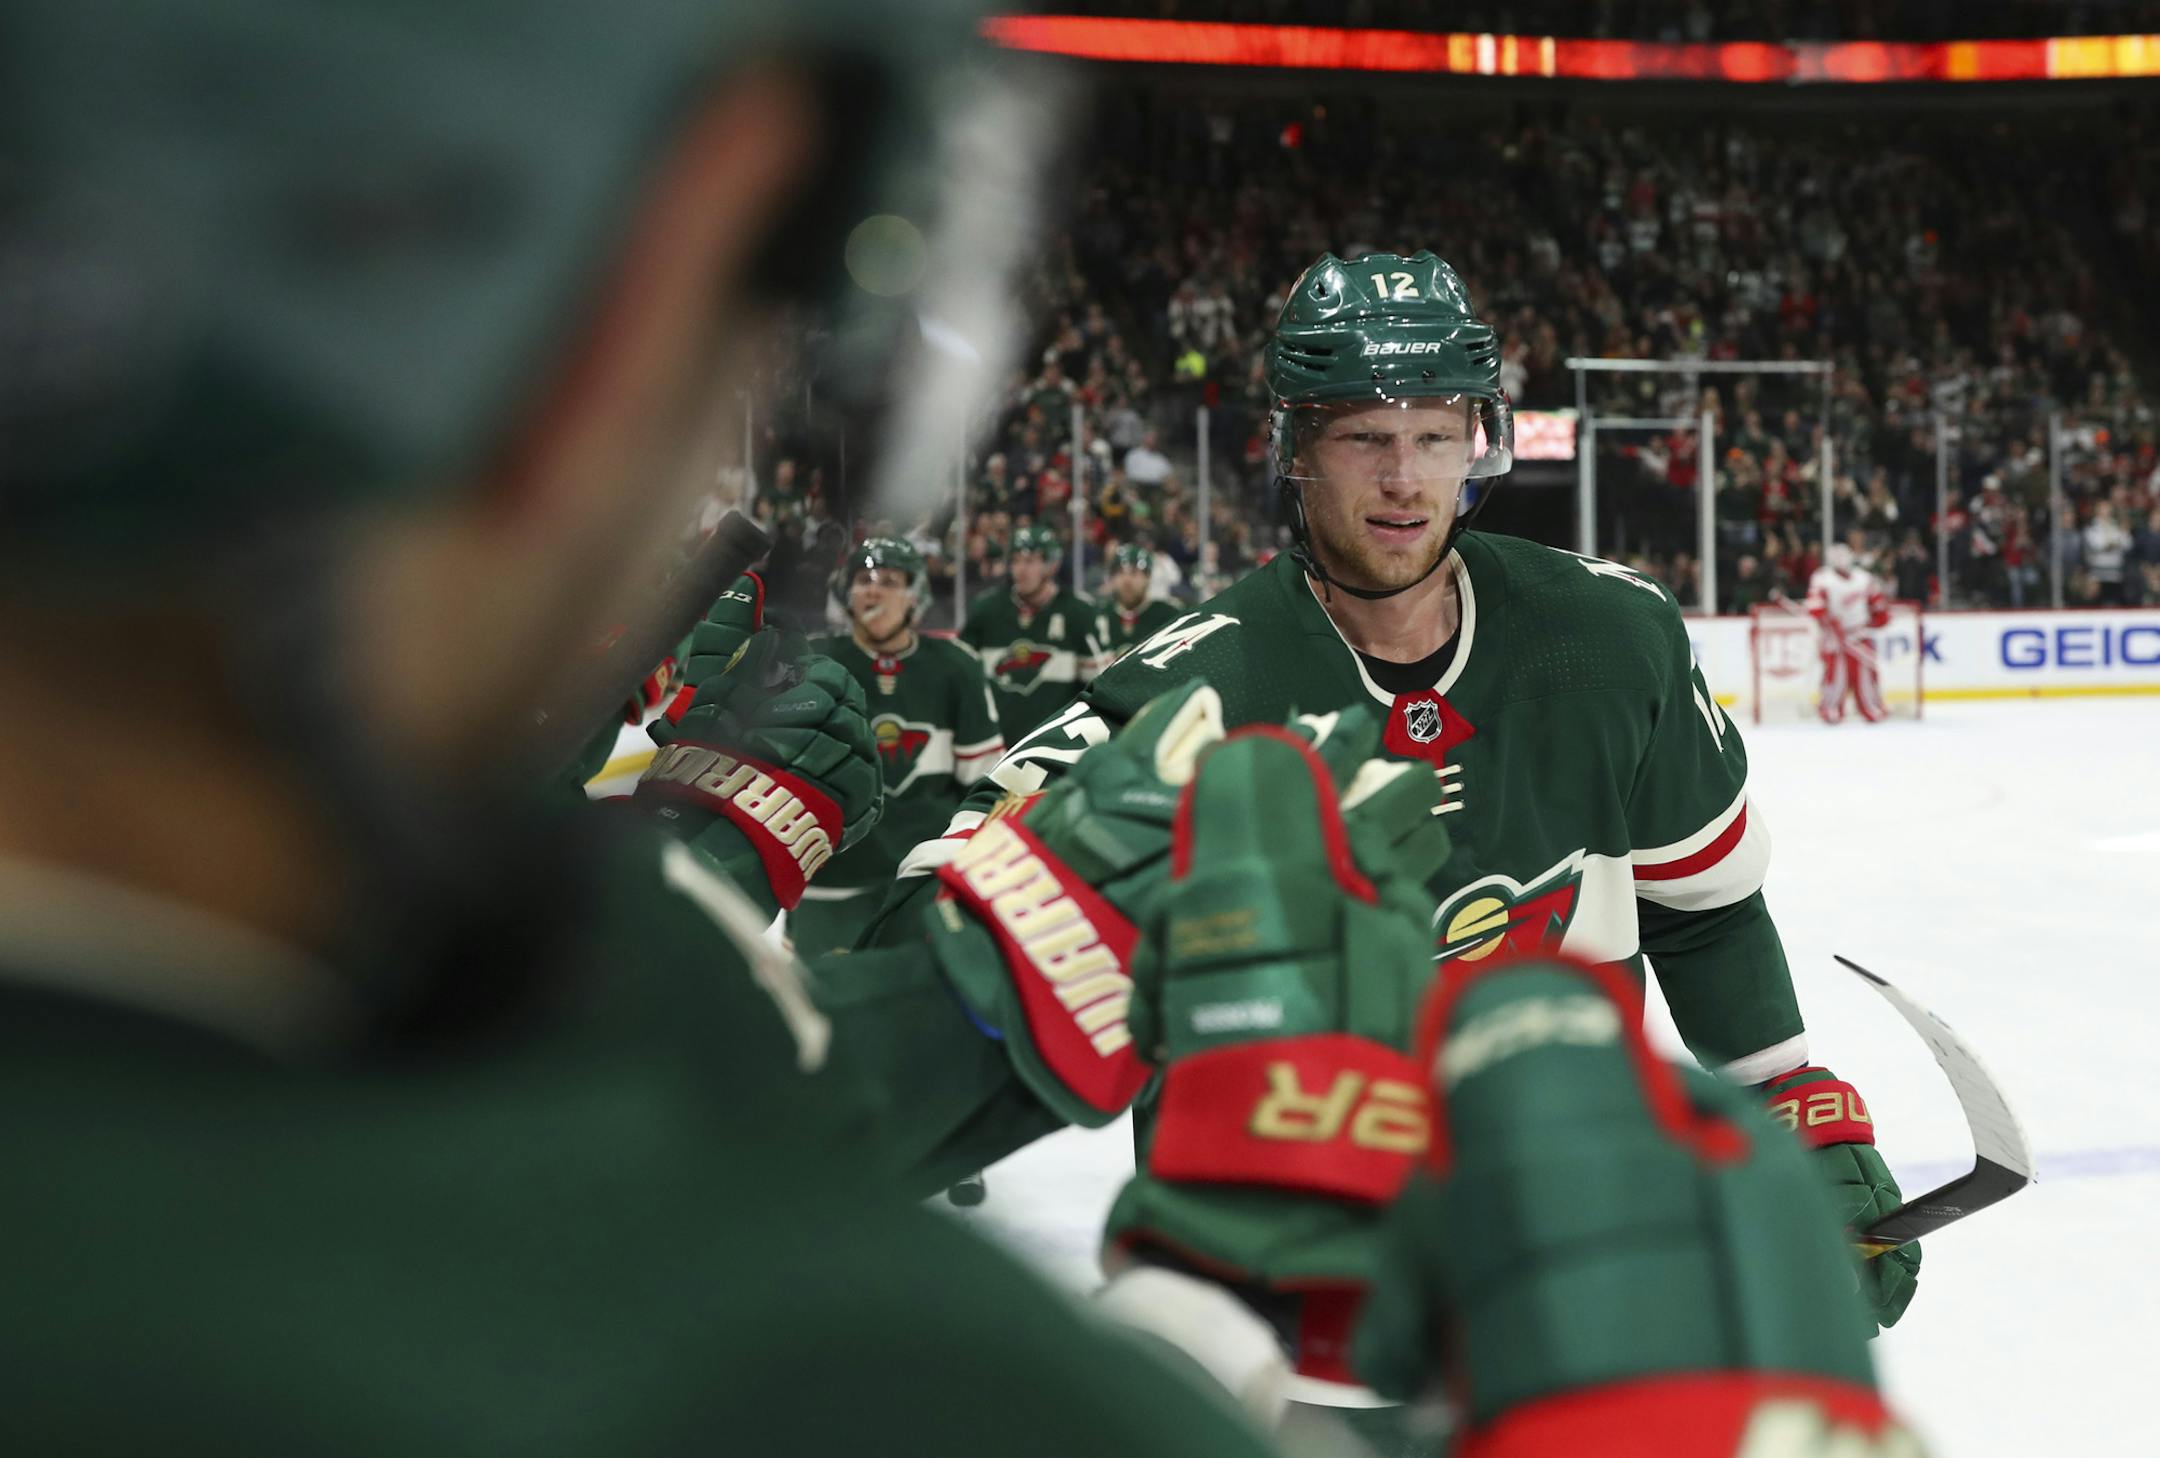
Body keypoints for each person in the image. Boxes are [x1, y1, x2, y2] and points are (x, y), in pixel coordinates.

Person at [884, 251, 1923, 1373]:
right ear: (1294, 450)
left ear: (1481, 438)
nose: (1404, 478)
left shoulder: (1611, 641)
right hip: (1288, 1323)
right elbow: (924, 941)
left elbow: (1702, 906)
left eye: (1434, 434)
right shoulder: (1188, 696)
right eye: (1362, 438)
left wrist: (1783, 1090)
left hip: (1575, 1276)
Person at [793, 538, 1004, 955]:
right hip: (830, 879)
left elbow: (986, 786)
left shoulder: (956, 666)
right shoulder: (811, 663)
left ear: (915, 597)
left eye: (889, 581)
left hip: (923, 879)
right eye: (863, 579)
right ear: (846, 593)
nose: (873, 590)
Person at [958, 522, 1102, 738]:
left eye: (1030, 561)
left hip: (1056, 747)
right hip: (998, 745)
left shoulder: (1079, 612)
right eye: (1015, 561)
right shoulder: (986, 609)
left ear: (1052, 565)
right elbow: (960, 679)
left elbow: (1099, 688)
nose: (1020, 569)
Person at [1806, 542, 1894, 723]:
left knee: (1866, 673)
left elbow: (1877, 604)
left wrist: (1879, 618)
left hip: (1860, 633)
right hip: (1834, 637)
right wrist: (1828, 621)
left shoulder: (1864, 578)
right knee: (1836, 673)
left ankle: (1871, 706)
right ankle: (1830, 708)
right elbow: (1814, 607)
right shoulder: (1822, 578)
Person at [1095, 542, 1182, 660]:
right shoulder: (1099, 614)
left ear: (1148, 577)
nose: (1127, 580)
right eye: (1120, 573)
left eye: (1134, 573)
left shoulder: (1169, 616)